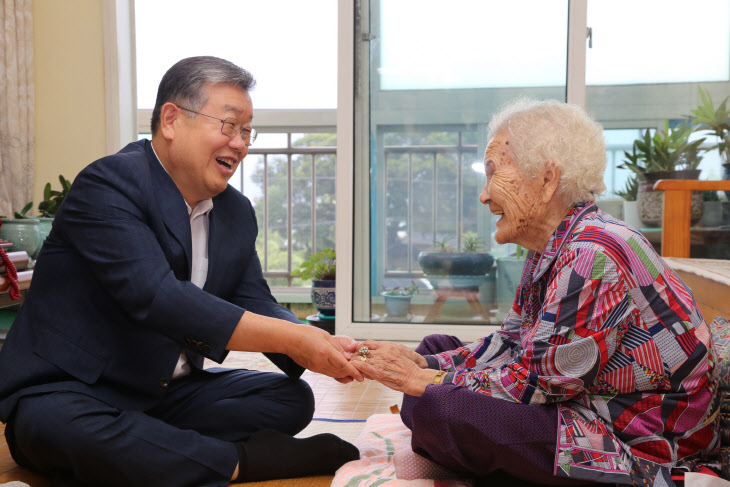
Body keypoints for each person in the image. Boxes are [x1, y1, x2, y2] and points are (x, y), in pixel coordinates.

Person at [0, 56, 363, 487]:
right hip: (72, 390)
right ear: (171, 119)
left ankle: (160, 451)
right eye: (229, 125)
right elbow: (157, 296)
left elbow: (254, 299)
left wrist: (318, 345)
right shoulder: (110, 183)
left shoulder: (236, 211)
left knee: (290, 398)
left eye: (247, 131)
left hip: (164, 393)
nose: (241, 144)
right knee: (56, 428)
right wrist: (297, 338)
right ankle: (245, 462)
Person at [351, 99, 720, 486]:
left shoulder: (591, 254)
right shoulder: (555, 244)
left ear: (546, 180)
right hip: (579, 398)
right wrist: (425, 366)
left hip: (639, 443)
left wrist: (425, 381)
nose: (484, 195)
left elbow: (537, 385)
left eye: (493, 174)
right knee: (432, 352)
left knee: (437, 408)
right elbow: (511, 340)